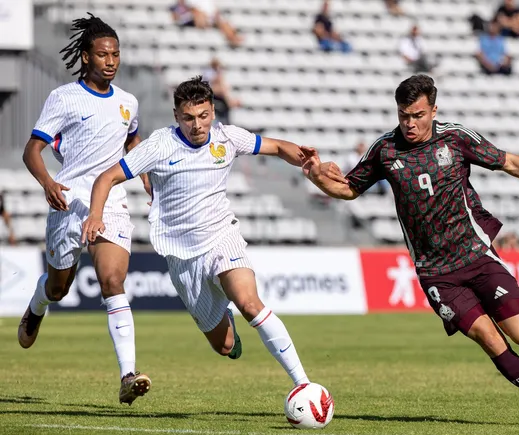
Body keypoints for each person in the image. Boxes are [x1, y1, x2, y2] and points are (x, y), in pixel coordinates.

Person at [303, 75, 519, 428]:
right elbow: (348, 189)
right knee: (488, 337)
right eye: (404, 116)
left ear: (434, 109)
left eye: (418, 115)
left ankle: (494, 318)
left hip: (476, 255)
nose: (410, 123)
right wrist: (315, 175)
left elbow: (509, 162)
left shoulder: (456, 138)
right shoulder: (385, 150)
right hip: (437, 273)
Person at [81, 77, 344, 388]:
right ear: (177, 115)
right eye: (189, 118)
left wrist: (310, 163)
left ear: (213, 113)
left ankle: (304, 384)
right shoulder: (158, 145)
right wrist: (95, 215)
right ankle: (226, 325)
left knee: (250, 303)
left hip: (222, 237)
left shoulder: (227, 138)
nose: (197, 125)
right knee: (225, 346)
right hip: (182, 255)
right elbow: (107, 177)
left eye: (203, 116)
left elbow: (276, 146)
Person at [17, 14, 151, 406]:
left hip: (111, 200)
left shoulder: (128, 102)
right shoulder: (63, 98)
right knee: (60, 287)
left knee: (112, 279)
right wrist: (48, 184)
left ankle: (128, 374)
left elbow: (132, 137)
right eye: (102, 54)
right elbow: (32, 150)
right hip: (70, 199)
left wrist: (142, 170)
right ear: (86, 57)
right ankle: (38, 303)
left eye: (116, 54)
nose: (111, 61)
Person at [203, 57, 241, 124]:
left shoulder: (216, 74)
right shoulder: (209, 73)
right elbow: (211, 86)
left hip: (219, 98)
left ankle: (229, 101)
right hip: (213, 96)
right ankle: (230, 101)